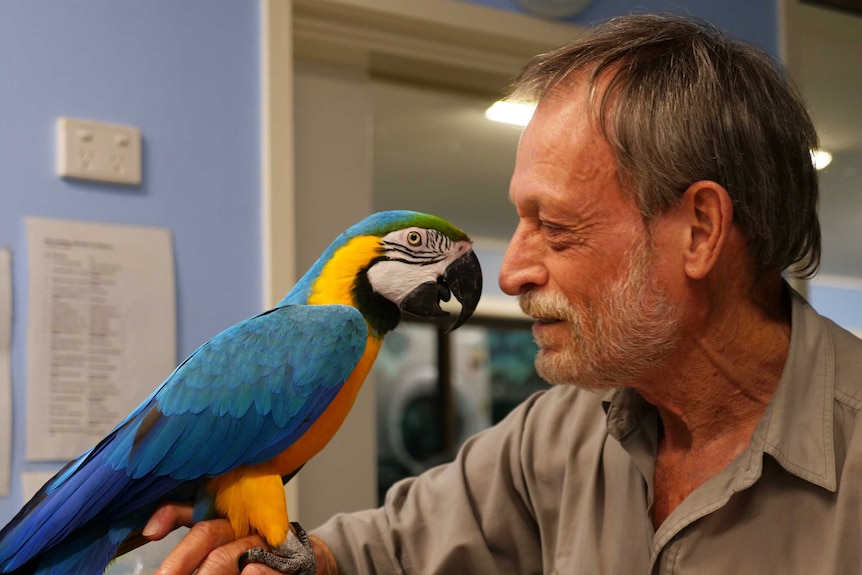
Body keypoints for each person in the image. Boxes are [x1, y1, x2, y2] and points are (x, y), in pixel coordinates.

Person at [144, 13, 862, 574]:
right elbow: (376, 552)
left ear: (699, 231)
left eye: (555, 227)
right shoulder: (554, 435)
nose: (513, 272)